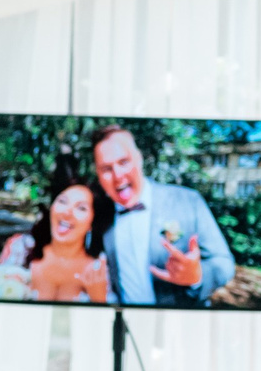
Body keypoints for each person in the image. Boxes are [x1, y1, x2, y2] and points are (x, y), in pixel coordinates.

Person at [89, 125, 235, 306]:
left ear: (139, 159)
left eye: (124, 162)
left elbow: (224, 264)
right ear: (98, 175)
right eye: (106, 169)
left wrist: (197, 275)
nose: (118, 175)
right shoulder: (99, 215)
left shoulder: (188, 200)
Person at [15, 181, 111, 304]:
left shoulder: (98, 271)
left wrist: (98, 298)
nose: (67, 212)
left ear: (92, 222)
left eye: (81, 208)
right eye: (62, 201)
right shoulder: (20, 250)